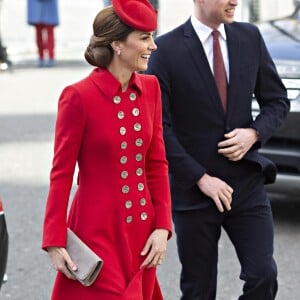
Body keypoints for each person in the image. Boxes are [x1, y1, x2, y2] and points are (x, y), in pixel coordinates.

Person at [147, 0, 290, 299]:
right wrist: (201, 178)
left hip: (246, 183)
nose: (235, 1)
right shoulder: (166, 51)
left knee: (264, 275)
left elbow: (276, 101)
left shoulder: (249, 38)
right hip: (195, 191)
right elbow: (159, 128)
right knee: (198, 290)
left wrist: (253, 133)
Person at [42, 0, 172, 299]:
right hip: (96, 230)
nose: (152, 46)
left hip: (142, 230)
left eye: (152, 36)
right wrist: (54, 240)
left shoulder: (151, 89)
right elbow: (61, 174)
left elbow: (156, 164)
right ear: (116, 44)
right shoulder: (78, 96)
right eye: (144, 38)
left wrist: (162, 227)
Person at [27, 0, 59, 67]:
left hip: (49, 5)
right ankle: (41, 56)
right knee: (39, 33)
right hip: (36, 5)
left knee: (49, 33)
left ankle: (51, 56)